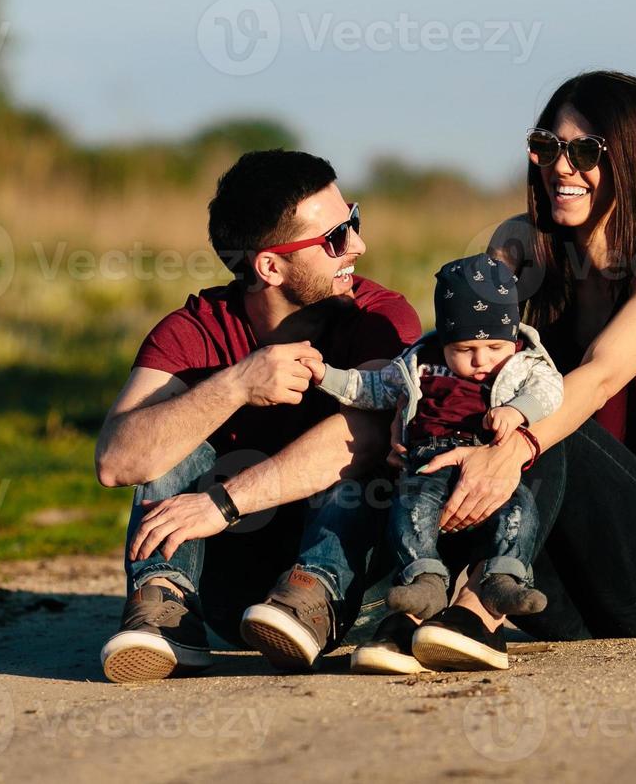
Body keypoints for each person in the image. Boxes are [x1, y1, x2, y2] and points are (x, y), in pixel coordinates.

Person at [343, 71, 636, 673]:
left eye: (586, 152)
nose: (561, 166)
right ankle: (405, 611)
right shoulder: (527, 246)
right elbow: (464, 336)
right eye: (548, 146)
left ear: (633, 162)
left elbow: (601, 377)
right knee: (462, 424)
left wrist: (518, 446)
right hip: (564, 584)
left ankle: (476, 617)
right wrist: (415, 406)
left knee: (539, 410)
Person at [94, 149, 421, 683]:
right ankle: (167, 609)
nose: (358, 246)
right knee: (171, 436)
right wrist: (235, 384)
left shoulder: (379, 317)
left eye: (354, 221)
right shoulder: (193, 330)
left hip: (355, 585)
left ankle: (312, 591)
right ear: (270, 265)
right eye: (337, 237)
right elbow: (116, 460)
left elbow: (366, 434)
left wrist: (224, 503)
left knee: (366, 465)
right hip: (233, 586)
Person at [302, 254, 563, 672]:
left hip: (487, 463)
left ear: (512, 340)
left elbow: (552, 390)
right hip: (427, 467)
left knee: (520, 509)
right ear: (444, 340)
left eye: (495, 347)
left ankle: (502, 579)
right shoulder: (418, 364)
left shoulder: (522, 364)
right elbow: (370, 388)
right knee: (410, 514)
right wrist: (326, 376)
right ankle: (424, 580)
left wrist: (519, 410)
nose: (481, 361)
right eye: (466, 349)